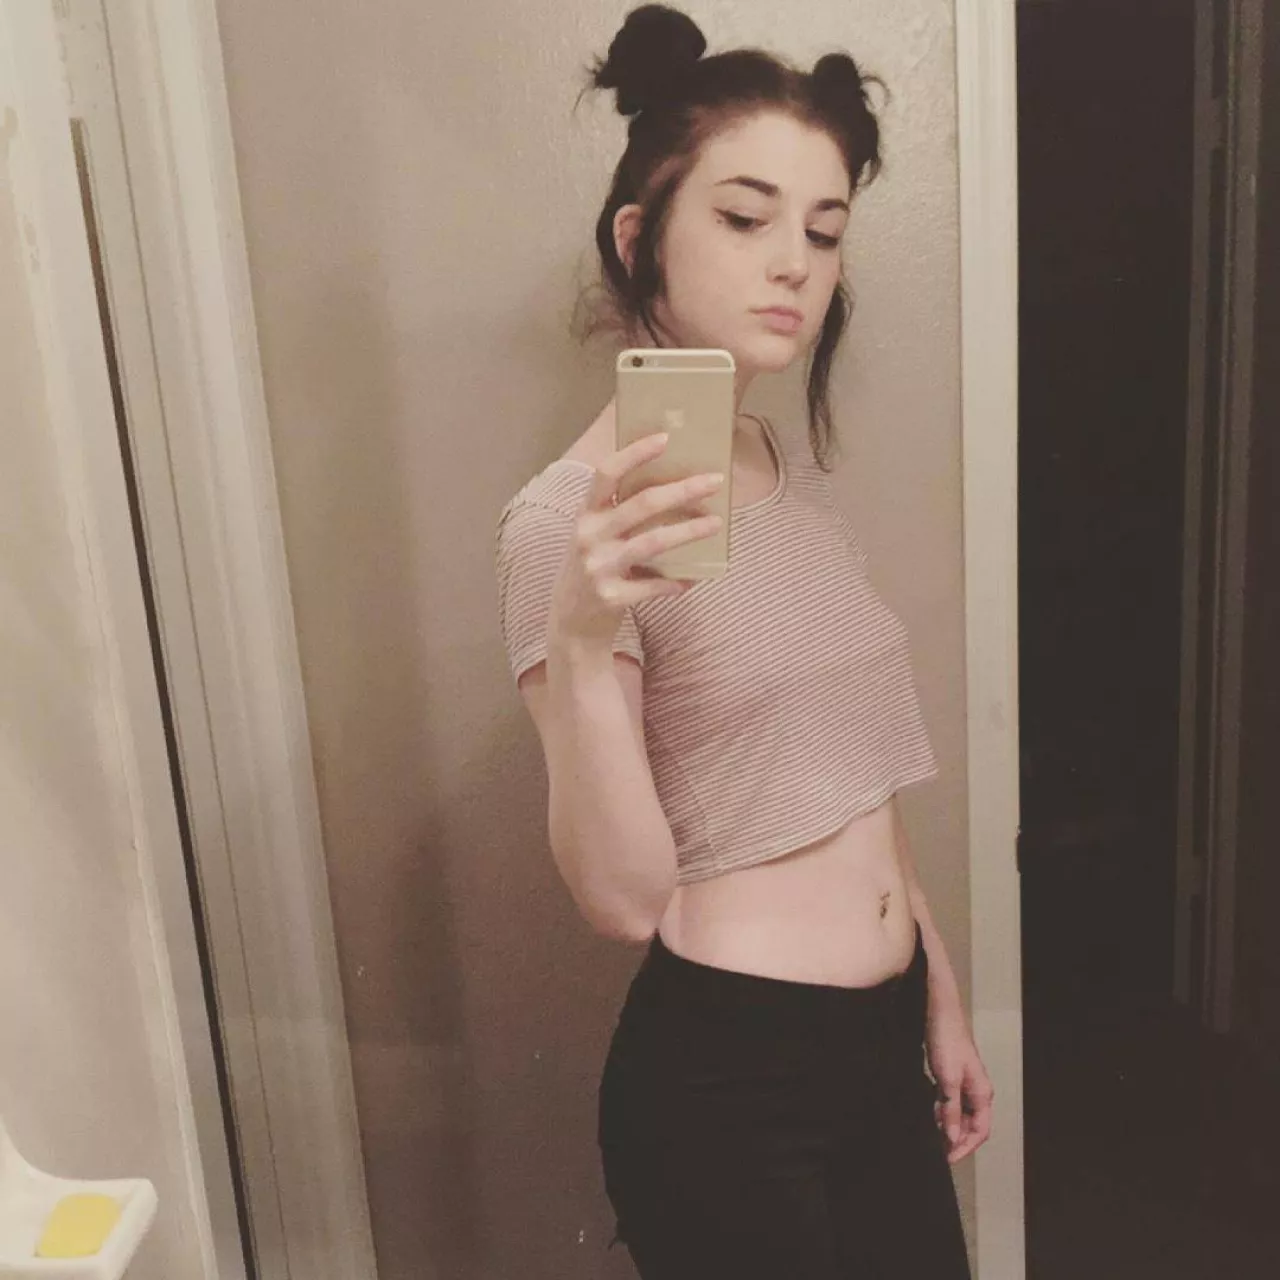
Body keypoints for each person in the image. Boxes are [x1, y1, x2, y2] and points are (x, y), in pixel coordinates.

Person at [494, 6, 993, 1276]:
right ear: (637, 240)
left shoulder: (777, 463)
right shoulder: (562, 527)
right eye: (743, 217)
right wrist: (580, 632)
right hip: (729, 1087)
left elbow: (848, 776)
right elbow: (621, 899)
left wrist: (934, 987)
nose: (794, 265)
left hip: (879, 1045)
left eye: (822, 231)